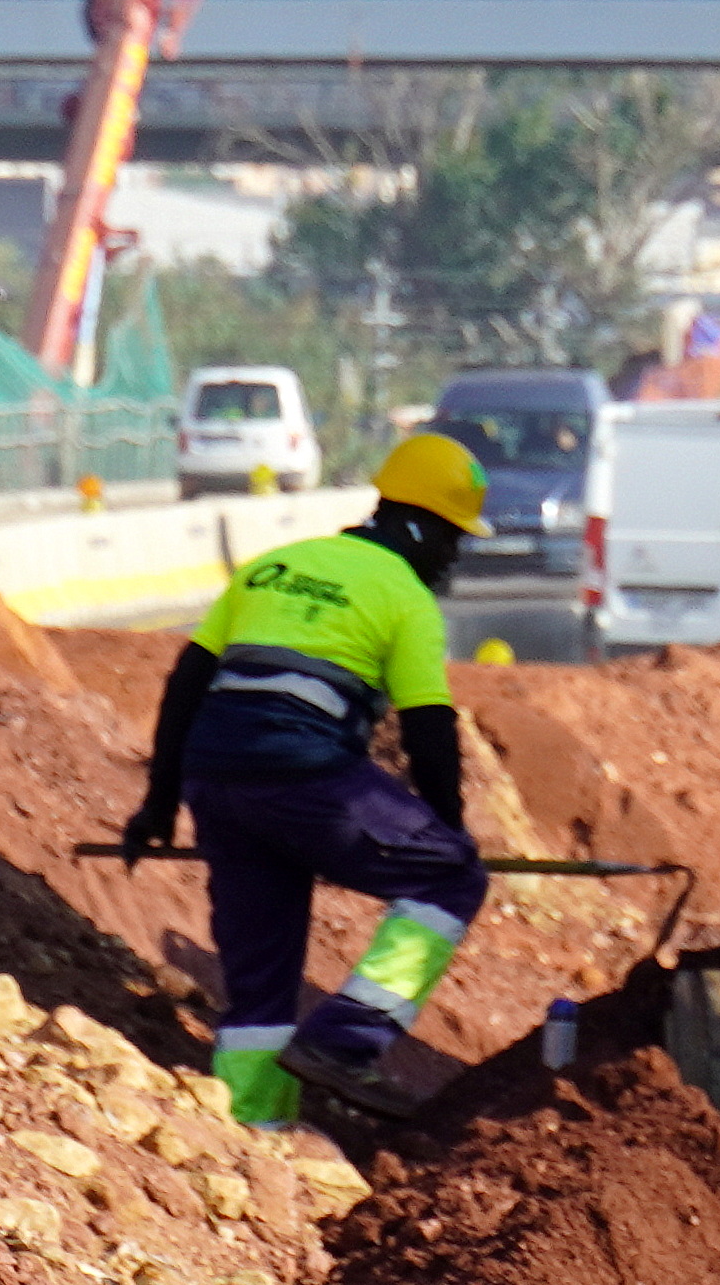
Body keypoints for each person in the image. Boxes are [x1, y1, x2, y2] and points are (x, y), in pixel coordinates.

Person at [123, 430, 491, 1124]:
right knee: (451, 878)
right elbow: (428, 731)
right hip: (304, 778)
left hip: (216, 781)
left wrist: (160, 801)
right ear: (419, 524)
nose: (453, 557)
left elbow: (187, 683)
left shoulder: (274, 567)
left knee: (259, 981)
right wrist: (447, 830)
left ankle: (252, 1137)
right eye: (452, 539)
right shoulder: (404, 597)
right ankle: (345, 1042)